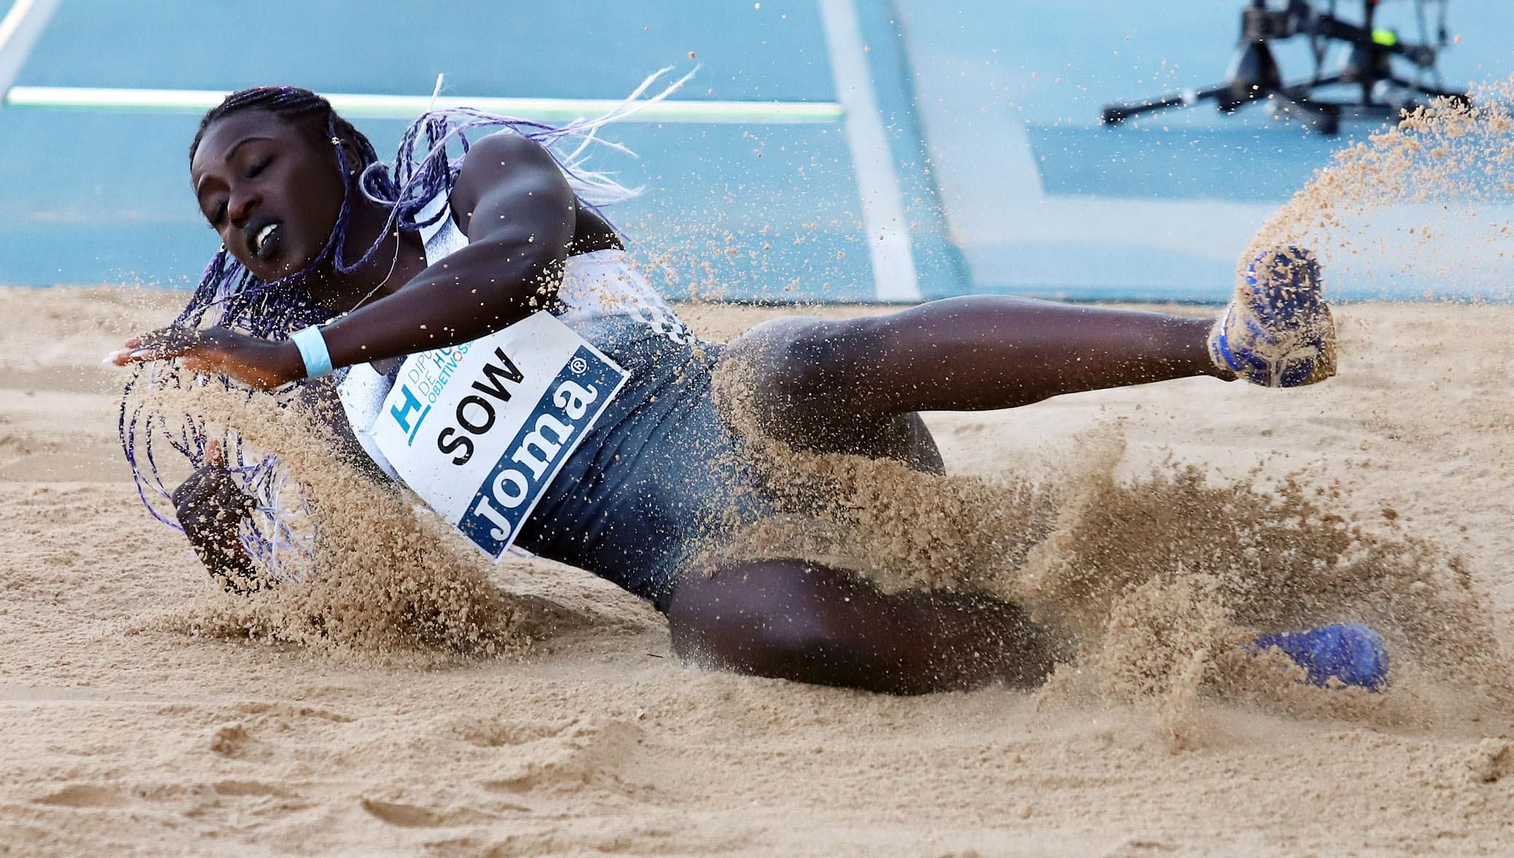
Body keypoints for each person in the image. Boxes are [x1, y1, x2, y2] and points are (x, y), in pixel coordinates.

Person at [112, 83, 1381, 695]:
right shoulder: (328, 406)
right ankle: (1175, 659)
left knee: (783, 366)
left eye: (257, 168)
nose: (240, 210)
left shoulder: (480, 183)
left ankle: (1221, 342)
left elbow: (508, 274)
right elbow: (380, 596)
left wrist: (301, 357)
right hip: (721, 558)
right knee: (731, 631)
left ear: (336, 150)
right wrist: (236, 525)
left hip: (806, 441)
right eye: (217, 207)